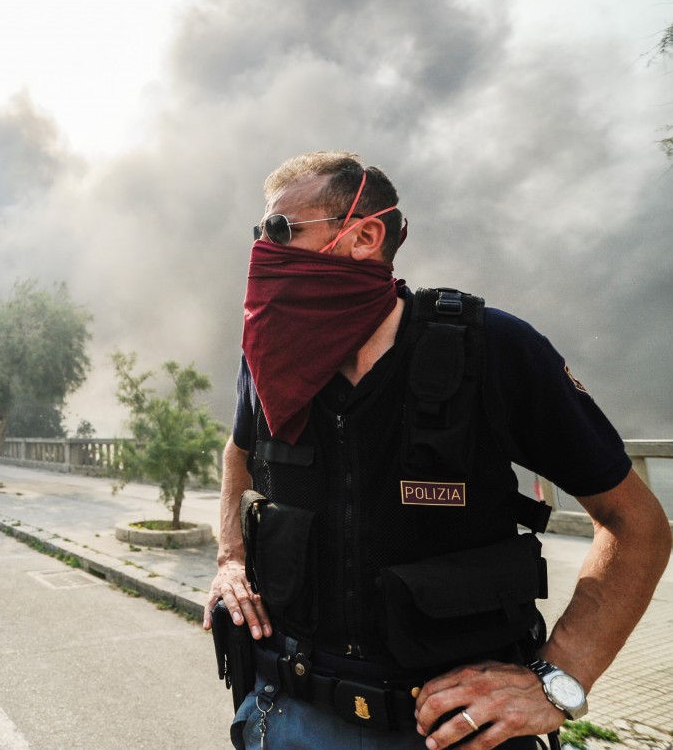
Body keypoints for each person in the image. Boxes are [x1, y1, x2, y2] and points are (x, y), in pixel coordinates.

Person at [203, 151, 671, 749]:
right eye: (260, 233)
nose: (264, 251)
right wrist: (229, 560)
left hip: (455, 732)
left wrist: (559, 677)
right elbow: (238, 451)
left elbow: (637, 523)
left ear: (364, 235)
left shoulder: (493, 349)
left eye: (281, 231)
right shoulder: (268, 360)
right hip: (292, 715)